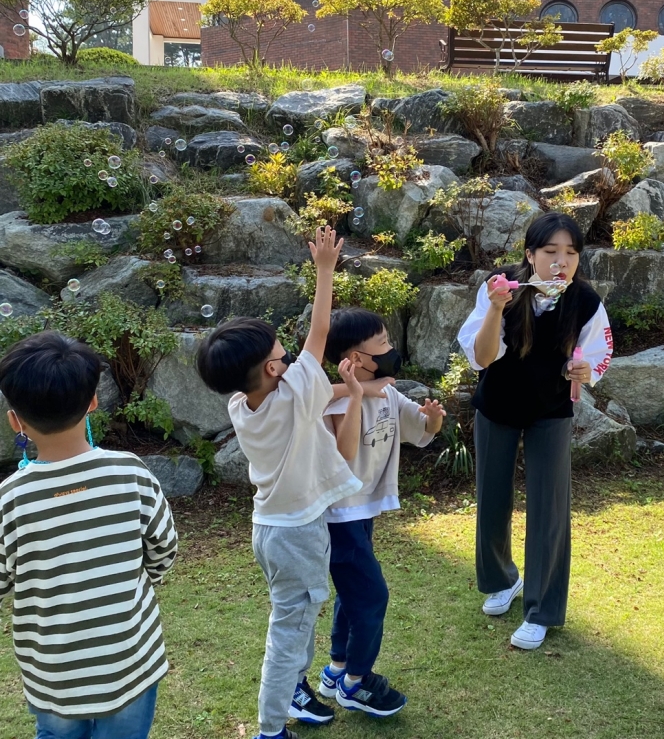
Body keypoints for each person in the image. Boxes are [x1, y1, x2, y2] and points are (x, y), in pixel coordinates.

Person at [195, 228, 385, 739]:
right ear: (275, 367)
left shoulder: (243, 405)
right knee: (289, 633)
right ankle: (271, 727)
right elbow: (319, 335)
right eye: (283, 350)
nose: (293, 352)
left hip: (271, 531)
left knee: (296, 623)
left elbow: (311, 371)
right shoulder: (293, 394)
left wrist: (351, 391)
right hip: (296, 535)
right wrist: (325, 269)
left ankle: (296, 697)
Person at [0, 331, 178, 739]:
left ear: (16, 420)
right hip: (130, 661)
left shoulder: (9, 499)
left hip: (53, 674)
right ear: (94, 401)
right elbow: (164, 546)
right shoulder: (131, 473)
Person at [457, 212, 613, 651]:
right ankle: (502, 579)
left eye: (570, 253)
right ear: (529, 254)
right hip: (498, 404)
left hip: (551, 410)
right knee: (491, 499)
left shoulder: (585, 300)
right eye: (550, 252)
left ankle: (541, 609)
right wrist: (494, 307)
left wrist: (584, 369)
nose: (561, 262)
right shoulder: (501, 286)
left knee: (548, 507)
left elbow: (597, 357)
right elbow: (483, 357)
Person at [317, 309, 446, 718]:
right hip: (340, 515)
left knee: (353, 595)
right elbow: (344, 453)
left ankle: (337, 669)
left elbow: (419, 429)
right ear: (355, 359)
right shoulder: (334, 403)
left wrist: (434, 420)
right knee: (372, 596)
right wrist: (356, 394)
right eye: (383, 344)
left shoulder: (389, 392)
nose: (392, 350)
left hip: (362, 510)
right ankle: (356, 682)